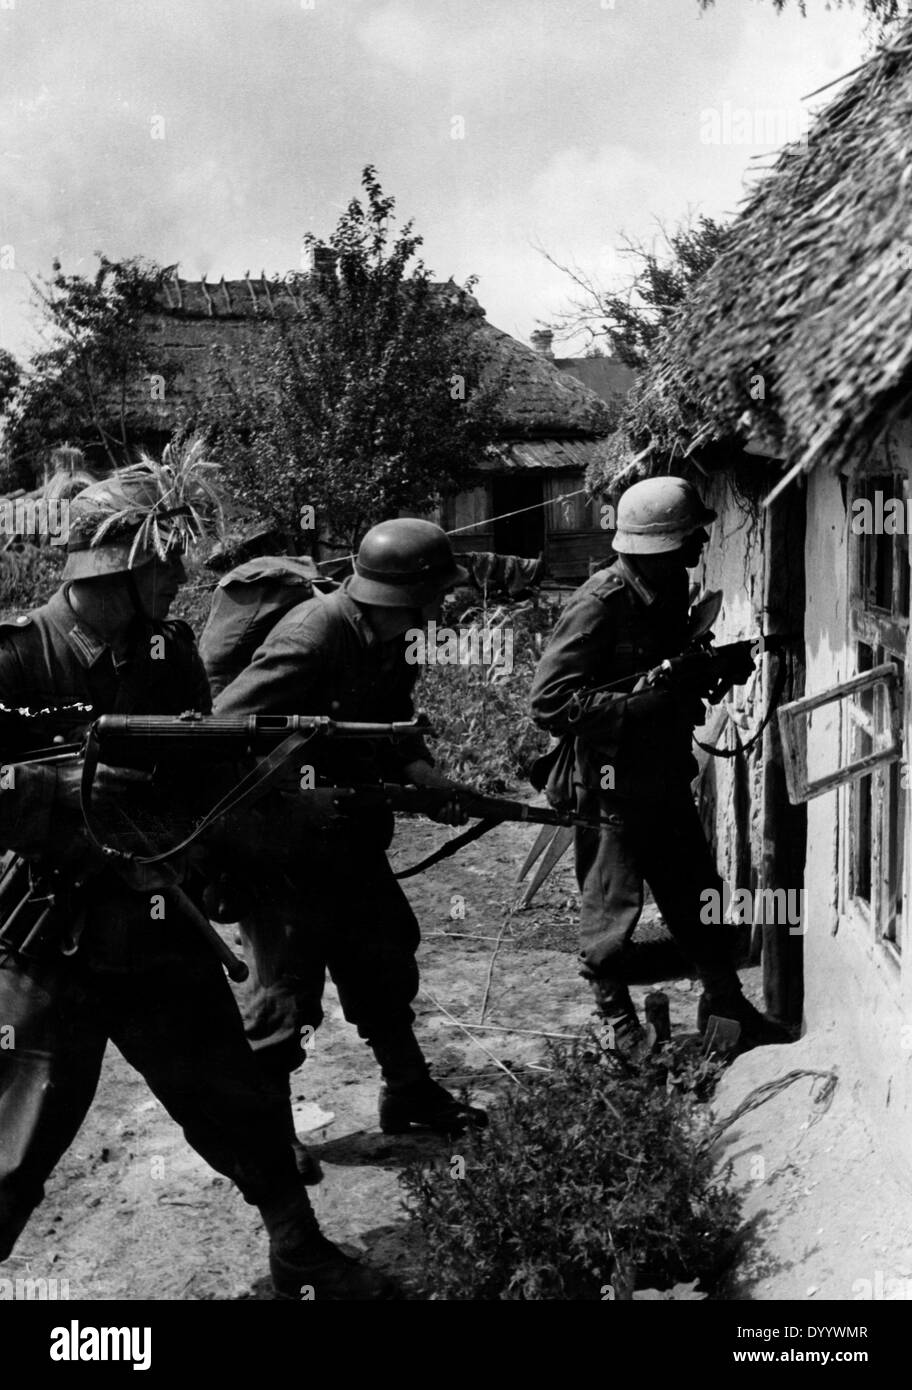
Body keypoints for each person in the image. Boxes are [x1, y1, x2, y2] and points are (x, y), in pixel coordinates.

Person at [0, 453, 391, 1300]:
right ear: (129, 564)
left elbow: (200, 775)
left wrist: (279, 796)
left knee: (233, 1093)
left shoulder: (166, 652)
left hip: (152, 922)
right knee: (13, 1142)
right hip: (47, 945)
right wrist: (52, 785)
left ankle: (299, 1250)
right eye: (169, 561)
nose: (184, 578)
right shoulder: (17, 659)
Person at [213, 518, 487, 1173]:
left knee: (384, 962)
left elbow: (391, 724)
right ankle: (271, 1134)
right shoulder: (313, 637)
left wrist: (422, 775)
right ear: (404, 593)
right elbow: (222, 736)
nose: (442, 605)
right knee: (285, 997)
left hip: (351, 842)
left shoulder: (396, 639)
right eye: (436, 592)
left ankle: (408, 1090)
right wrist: (297, 794)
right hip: (279, 853)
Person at [529, 475, 791, 1059]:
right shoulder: (599, 604)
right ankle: (621, 1028)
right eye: (691, 538)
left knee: (700, 898)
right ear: (661, 544)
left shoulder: (668, 591)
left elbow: (670, 672)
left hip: (663, 778)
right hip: (608, 787)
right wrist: (642, 705)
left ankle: (728, 1008)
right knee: (611, 920)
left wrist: (709, 670)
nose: (700, 548)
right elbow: (548, 703)